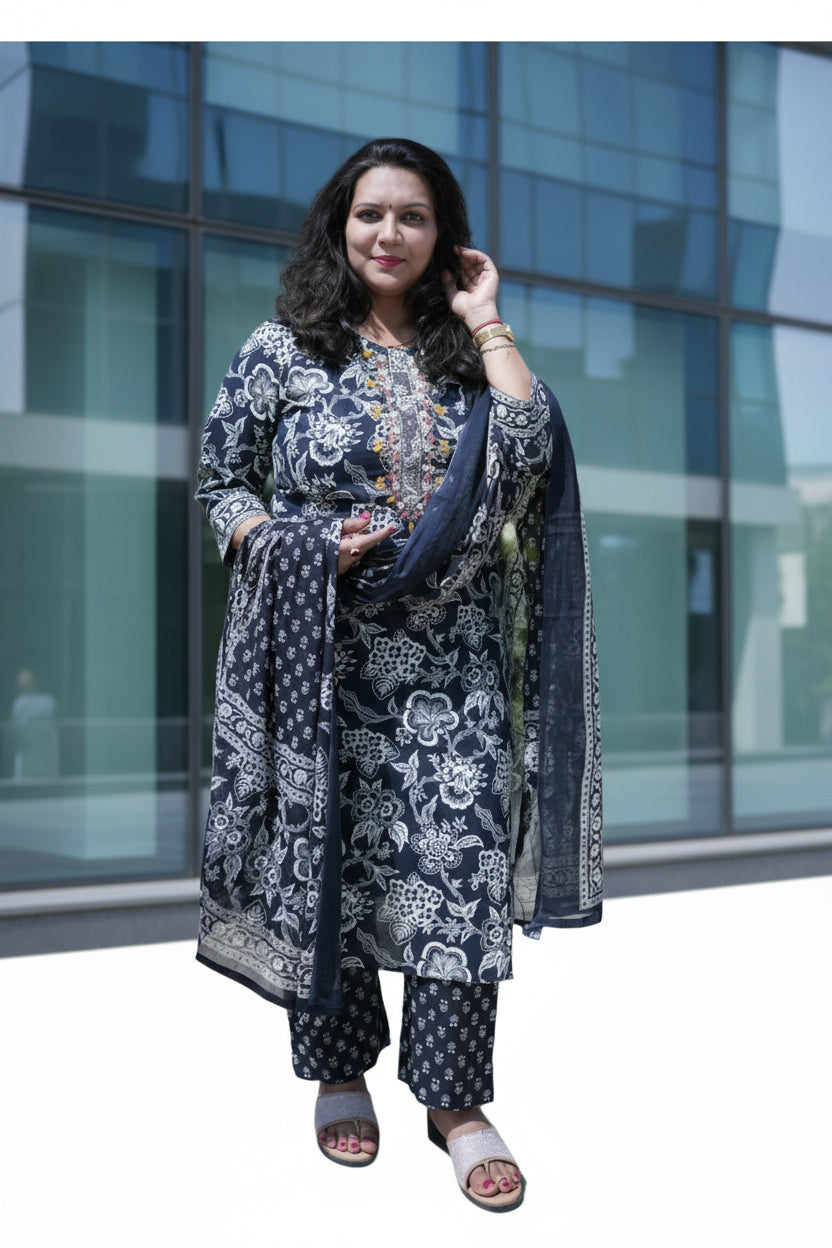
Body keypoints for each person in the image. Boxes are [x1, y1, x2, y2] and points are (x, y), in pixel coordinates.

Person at [196, 137, 602, 1213]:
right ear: (341, 223)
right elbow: (219, 483)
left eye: (412, 218)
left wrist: (485, 319)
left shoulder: (465, 357)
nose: (388, 234)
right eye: (369, 213)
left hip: (453, 668)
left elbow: (525, 452)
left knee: (455, 874)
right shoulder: (283, 350)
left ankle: (454, 1101)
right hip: (318, 654)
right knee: (327, 857)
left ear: (443, 238)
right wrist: (279, 544)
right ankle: (339, 1069)